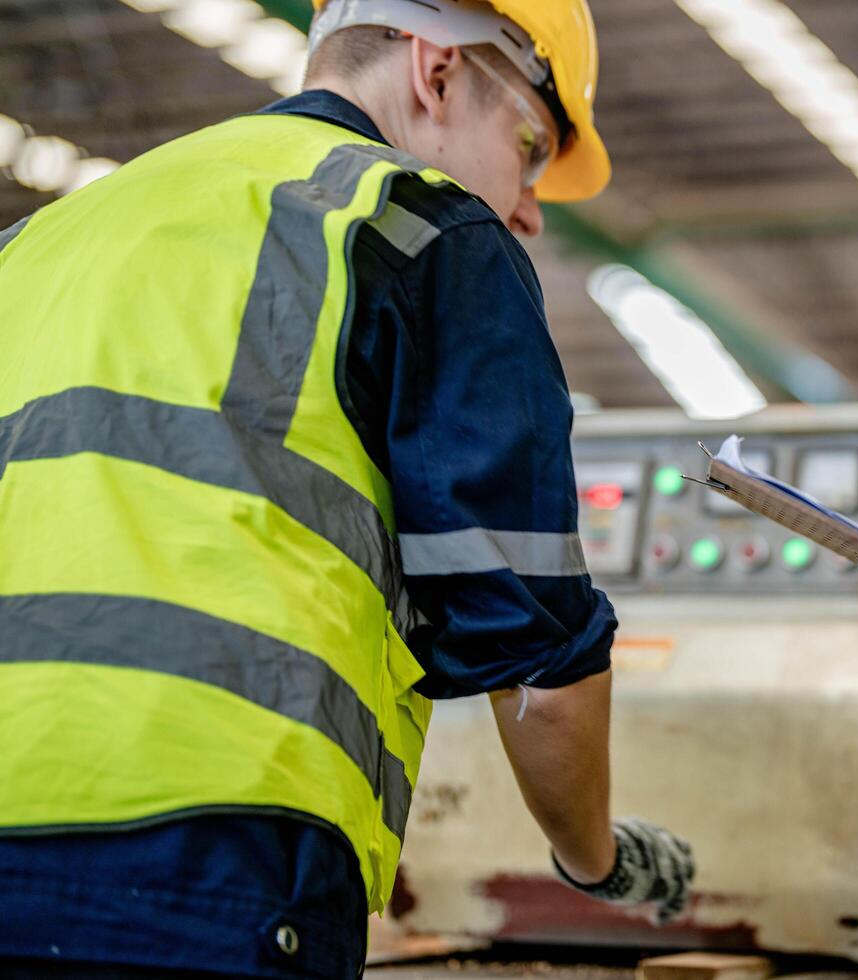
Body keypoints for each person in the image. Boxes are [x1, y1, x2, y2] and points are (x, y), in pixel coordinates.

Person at [0, 1, 693, 976]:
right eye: (530, 144)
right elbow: (540, 661)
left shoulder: (39, 240)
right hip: (209, 850)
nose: (530, 208)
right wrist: (600, 860)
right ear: (438, 72)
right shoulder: (420, 226)